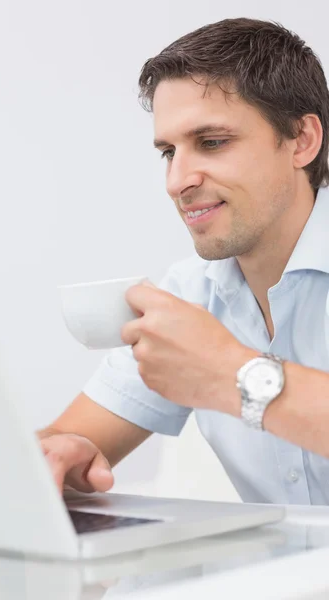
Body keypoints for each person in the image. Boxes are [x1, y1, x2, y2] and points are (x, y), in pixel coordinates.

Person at [39, 17, 329, 505]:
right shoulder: (189, 294)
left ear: (302, 140)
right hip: (282, 582)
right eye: (168, 152)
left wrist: (232, 374)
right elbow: (59, 448)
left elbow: (221, 369)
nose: (177, 181)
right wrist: (65, 454)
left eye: (211, 143)